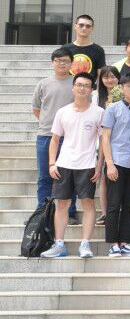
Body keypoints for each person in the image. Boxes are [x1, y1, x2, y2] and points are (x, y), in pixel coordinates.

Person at [42, 73, 102, 258]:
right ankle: (59, 244)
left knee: (88, 203)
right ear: (73, 87)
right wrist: (52, 163)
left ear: (91, 90)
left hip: (88, 164)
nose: (82, 88)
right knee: (62, 204)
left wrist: (99, 166)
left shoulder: (99, 112)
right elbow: (54, 139)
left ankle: (85, 244)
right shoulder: (63, 111)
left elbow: (104, 142)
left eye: (86, 85)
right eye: (79, 85)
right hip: (64, 164)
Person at [98, 72, 130, 256]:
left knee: (129, 205)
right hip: (117, 162)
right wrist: (109, 164)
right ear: (122, 88)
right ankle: (113, 243)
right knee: (113, 204)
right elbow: (105, 137)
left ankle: (125, 242)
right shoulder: (113, 109)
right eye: (129, 85)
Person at [33, 48, 76, 207]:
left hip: (70, 136)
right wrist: (50, 124)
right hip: (46, 135)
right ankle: (42, 211)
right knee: (44, 176)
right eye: (58, 60)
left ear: (71, 63)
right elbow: (36, 109)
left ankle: (70, 211)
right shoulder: (43, 84)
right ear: (52, 63)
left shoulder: (77, 83)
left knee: (69, 175)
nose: (62, 64)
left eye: (65, 61)